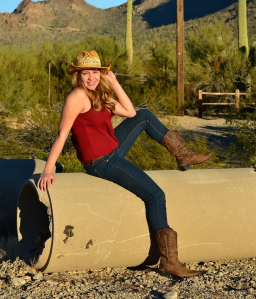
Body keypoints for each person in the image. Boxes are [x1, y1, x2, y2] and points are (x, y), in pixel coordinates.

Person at [37, 50, 212, 278]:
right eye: (86, 73)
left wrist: (114, 81)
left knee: (144, 115)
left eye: (96, 73)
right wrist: (48, 170)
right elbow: (62, 134)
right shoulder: (77, 97)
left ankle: (183, 154)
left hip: (113, 148)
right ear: (77, 76)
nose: (91, 77)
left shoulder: (99, 94)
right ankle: (169, 261)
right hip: (101, 161)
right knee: (156, 195)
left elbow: (130, 112)